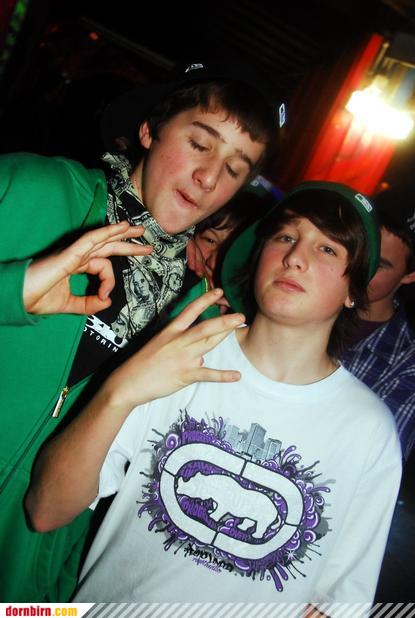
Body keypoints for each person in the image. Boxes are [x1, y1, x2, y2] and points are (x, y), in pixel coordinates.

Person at [26, 182, 401, 611]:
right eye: (284, 237)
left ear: (354, 290)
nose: (295, 257)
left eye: (328, 249)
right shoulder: (177, 354)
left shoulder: (368, 431)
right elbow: (46, 509)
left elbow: (335, 604)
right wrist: (119, 390)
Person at [0, 59, 282, 602]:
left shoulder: (196, 316)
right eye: (199, 144)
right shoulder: (34, 188)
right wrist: (14, 288)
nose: (209, 178)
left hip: (33, 586)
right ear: (150, 131)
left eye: (234, 168)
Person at [342, 184, 415, 461]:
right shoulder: (304, 301)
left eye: (380, 264)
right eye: (360, 251)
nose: (361, 267)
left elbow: (368, 463)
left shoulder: (406, 364)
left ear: (409, 276)